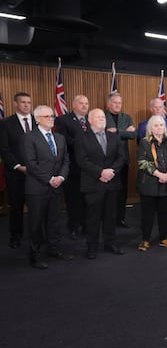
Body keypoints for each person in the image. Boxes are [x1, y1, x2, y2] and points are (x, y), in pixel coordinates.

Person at [23, 105, 72, 269]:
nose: (51, 118)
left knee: (54, 222)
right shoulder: (29, 137)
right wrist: (50, 179)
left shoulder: (60, 138)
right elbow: (31, 164)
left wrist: (61, 177)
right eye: (47, 116)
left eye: (52, 116)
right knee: (36, 223)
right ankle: (34, 256)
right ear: (37, 119)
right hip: (37, 189)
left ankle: (54, 249)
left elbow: (66, 160)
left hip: (57, 187)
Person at [76, 108, 128, 259]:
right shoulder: (82, 138)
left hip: (112, 182)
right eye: (98, 117)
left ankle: (110, 243)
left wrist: (111, 171)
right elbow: (82, 160)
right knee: (93, 217)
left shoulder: (114, 137)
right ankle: (92, 247)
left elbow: (122, 157)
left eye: (103, 117)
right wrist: (101, 172)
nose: (102, 119)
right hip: (93, 183)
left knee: (111, 216)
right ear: (90, 120)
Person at [136, 115, 167, 252]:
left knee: (164, 214)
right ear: (150, 128)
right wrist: (159, 174)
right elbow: (142, 162)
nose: (159, 127)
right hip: (149, 184)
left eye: (161, 125)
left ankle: (164, 238)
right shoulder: (144, 142)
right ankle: (145, 239)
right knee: (147, 214)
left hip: (166, 183)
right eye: (156, 125)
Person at [0, 92, 34, 249]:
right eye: (23, 102)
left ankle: (37, 235)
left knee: (36, 207)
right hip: (16, 173)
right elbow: (4, 149)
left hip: (36, 174)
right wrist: (18, 166)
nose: (26, 105)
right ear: (15, 104)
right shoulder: (6, 124)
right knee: (16, 206)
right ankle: (16, 236)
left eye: (28, 102)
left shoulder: (38, 121)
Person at [137, 97, 167, 226]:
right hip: (150, 172)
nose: (157, 109)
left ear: (164, 108)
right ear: (151, 109)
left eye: (160, 107)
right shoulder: (143, 125)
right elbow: (140, 144)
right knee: (148, 207)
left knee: (165, 201)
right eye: (155, 107)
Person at [55, 94, 90, 239]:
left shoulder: (91, 120)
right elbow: (65, 141)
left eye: (87, 103)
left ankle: (86, 225)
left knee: (87, 200)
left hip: (89, 168)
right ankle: (74, 226)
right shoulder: (63, 120)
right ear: (74, 105)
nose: (84, 106)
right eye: (81, 103)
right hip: (73, 167)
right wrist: (88, 146)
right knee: (73, 199)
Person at [104, 92, 136, 228]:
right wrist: (125, 132)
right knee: (107, 193)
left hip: (123, 160)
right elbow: (103, 133)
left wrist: (117, 131)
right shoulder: (102, 116)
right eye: (115, 103)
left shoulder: (126, 117)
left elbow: (133, 134)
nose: (118, 105)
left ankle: (120, 218)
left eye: (120, 103)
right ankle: (105, 218)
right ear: (108, 104)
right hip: (106, 161)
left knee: (122, 192)